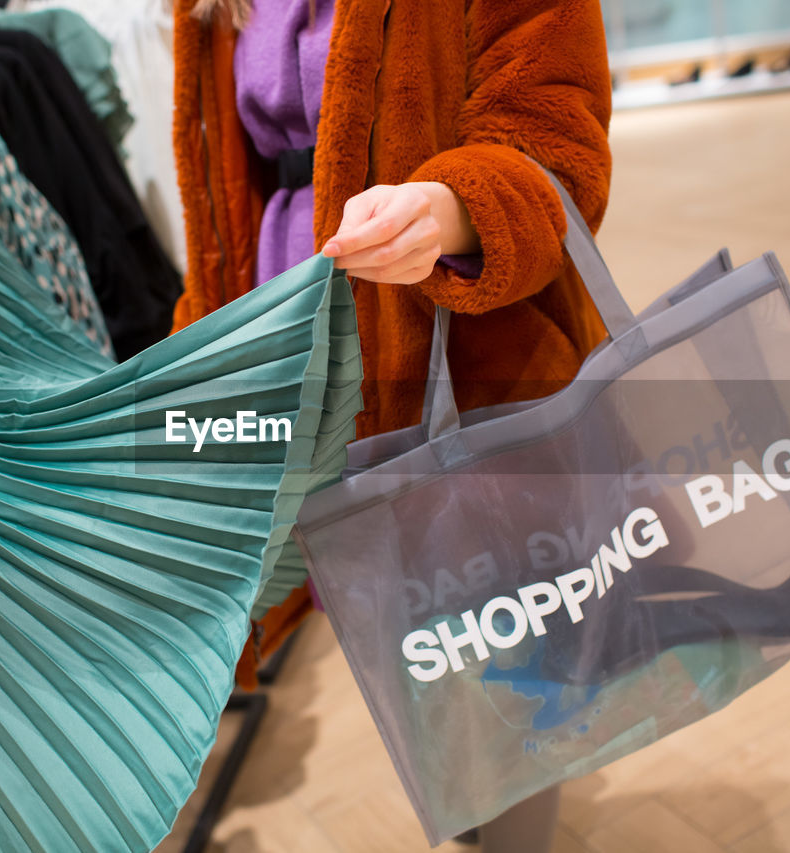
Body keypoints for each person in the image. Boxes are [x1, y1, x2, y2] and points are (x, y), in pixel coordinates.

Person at [172, 0, 612, 848]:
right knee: (416, 643)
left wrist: (454, 209)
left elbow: (561, 142)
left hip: (467, 348)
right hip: (302, 352)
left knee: (515, 645)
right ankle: (469, 809)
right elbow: (221, 194)